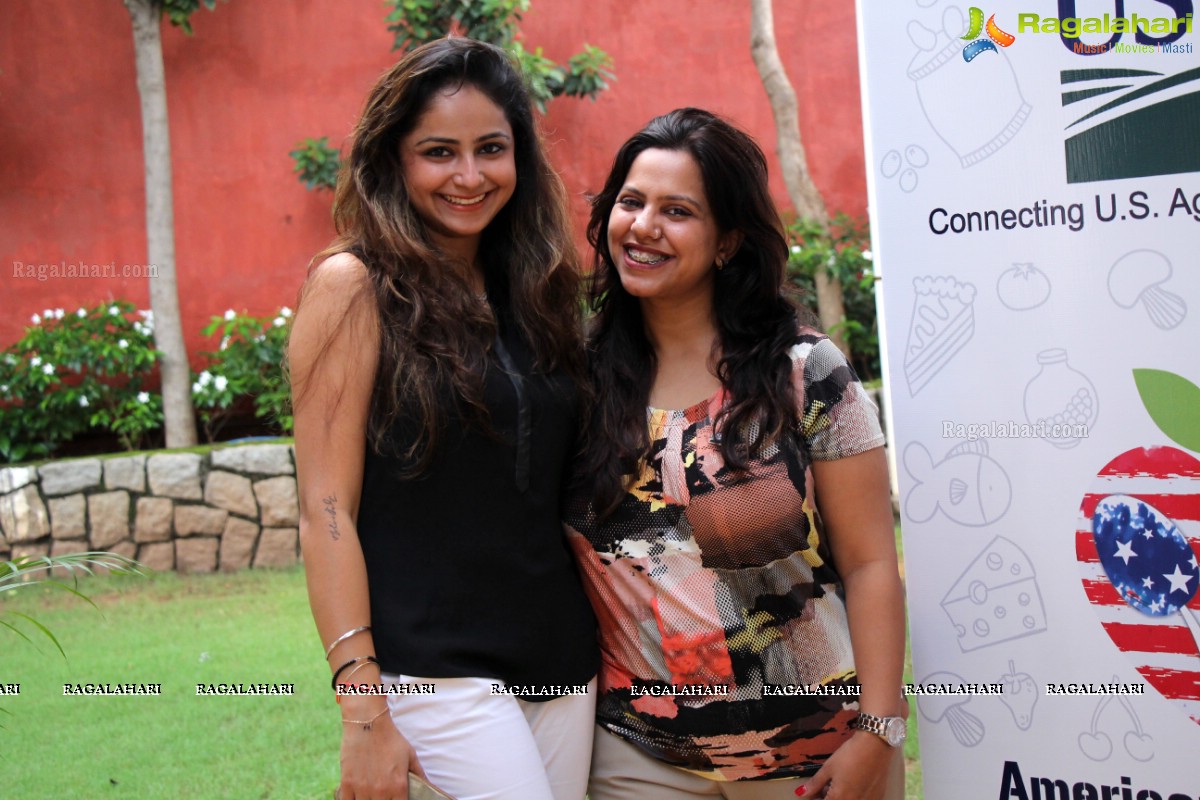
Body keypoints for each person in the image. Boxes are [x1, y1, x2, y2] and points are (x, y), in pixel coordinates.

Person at [564, 108, 906, 800]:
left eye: (678, 210)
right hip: (639, 758)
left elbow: (871, 563)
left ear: (728, 239)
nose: (643, 226)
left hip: (813, 753)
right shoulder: (574, 381)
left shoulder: (806, 372)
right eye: (631, 202)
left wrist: (879, 729)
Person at [289, 37, 598, 800]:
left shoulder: (539, 288)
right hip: (434, 672)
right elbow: (325, 508)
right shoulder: (352, 288)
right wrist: (362, 713)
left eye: (491, 148)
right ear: (393, 159)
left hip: (562, 661)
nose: (469, 176)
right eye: (439, 152)